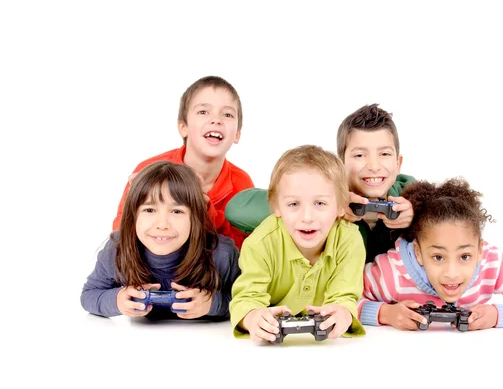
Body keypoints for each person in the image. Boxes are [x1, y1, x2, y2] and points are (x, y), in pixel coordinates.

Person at [358, 177, 503, 330]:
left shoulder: (493, 265)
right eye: (438, 257)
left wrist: (497, 315)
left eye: (465, 257)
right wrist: (386, 314)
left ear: (479, 250)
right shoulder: (392, 273)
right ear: (418, 253)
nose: (452, 273)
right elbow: (339, 299)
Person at [225, 103, 416, 263]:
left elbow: (442, 217)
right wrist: (327, 207)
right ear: (340, 163)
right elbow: (237, 209)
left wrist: (416, 217)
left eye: (384, 154)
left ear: (398, 163)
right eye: (359, 155)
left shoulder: (410, 196)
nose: (374, 166)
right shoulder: (321, 191)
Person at [229, 145, 366, 342]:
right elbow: (246, 298)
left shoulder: (349, 240)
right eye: (294, 204)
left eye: (320, 203)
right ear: (277, 207)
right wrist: (251, 318)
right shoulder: (260, 244)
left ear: (341, 207)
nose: (307, 217)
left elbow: (345, 296)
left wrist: (343, 312)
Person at [81, 160, 240, 321]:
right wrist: (117, 300)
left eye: (177, 211)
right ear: (133, 215)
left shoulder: (221, 254)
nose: (162, 224)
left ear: (196, 218)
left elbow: (248, 299)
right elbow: (89, 295)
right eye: (149, 210)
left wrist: (213, 303)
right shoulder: (117, 249)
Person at [112, 75, 253, 251]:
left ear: (237, 134)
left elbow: (244, 249)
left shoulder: (241, 184)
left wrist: (205, 209)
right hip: (153, 266)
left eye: (227, 114)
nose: (216, 119)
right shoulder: (149, 170)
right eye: (203, 112)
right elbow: (121, 232)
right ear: (183, 127)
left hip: (209, 272)